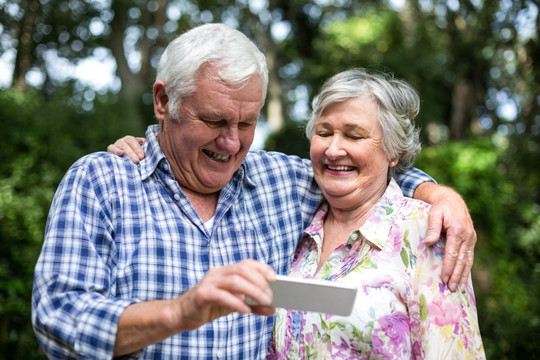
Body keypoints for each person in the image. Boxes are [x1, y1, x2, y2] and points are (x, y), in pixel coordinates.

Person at [32, 23, 475, 359]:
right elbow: (58, 317)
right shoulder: (101, 182)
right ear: (163, 102)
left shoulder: (281, 181)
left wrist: (439, 196)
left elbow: (361, 176)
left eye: (246, 123)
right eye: (214, 120)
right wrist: (179, 313)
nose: (231, 143)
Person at [266, 69, 484, 358]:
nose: (333, 149)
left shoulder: (425, 233)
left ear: (393, 151)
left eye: (354, 136)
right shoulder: (300, 228)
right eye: (324, 132)